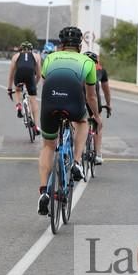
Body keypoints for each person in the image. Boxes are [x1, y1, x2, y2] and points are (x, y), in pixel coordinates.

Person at [37, 26, 102, 216]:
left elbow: (44, 82)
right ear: (80, 45)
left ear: (61, 45)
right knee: (83, 122)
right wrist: (96, 116)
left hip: (50, 99)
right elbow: (91, 97)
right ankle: (75, 161)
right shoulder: (87, 62)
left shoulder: (50, 58)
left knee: (48, 146)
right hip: (73, 99)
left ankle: (43, 191)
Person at [83, 51, 112, 165]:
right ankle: (98, 154)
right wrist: (108, 104)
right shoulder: (101, 70)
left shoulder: (79, 68)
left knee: (79, 122)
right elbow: (106, 91)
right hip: (93, 97)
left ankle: (79, 151)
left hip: (79, 96)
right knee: (98, 121)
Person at [7, 41, 41, 136]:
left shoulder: (16, 56)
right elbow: (38, 74)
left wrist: (9, 88)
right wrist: (35, 84)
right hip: (30, 75)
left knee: (17, 90)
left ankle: (19, 106)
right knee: (33, 100)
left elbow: (11, 75)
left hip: (19, 75)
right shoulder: (36, 56)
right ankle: (36, 126)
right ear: (31, 49)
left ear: (21, 49)